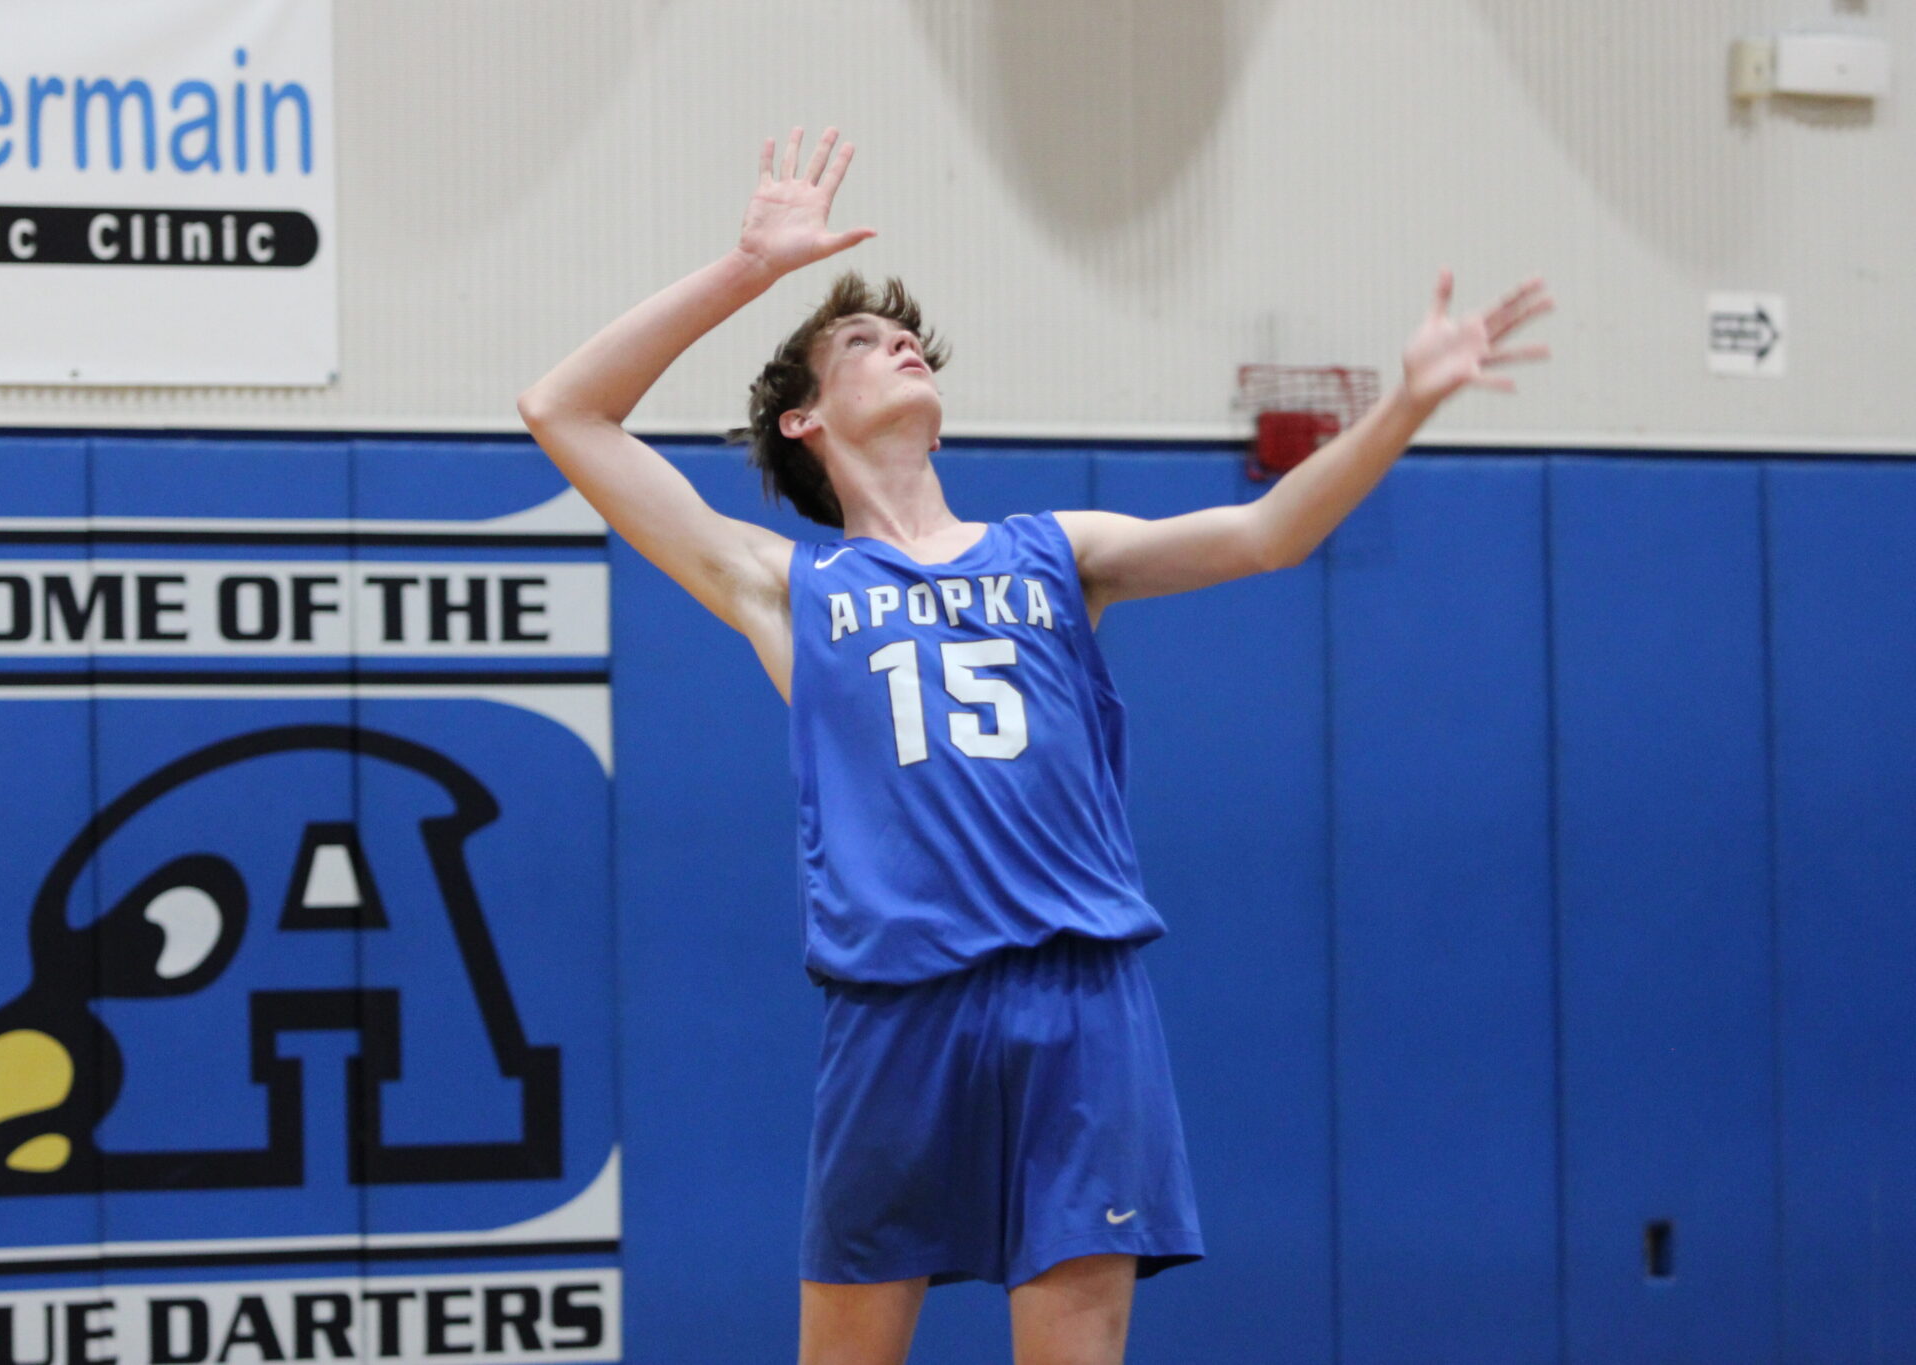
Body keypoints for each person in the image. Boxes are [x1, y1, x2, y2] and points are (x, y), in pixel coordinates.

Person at [517, 126, 1552, 1365]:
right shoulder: (785, 585)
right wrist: (747, 270)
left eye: (906, 339)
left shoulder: (1054, 550)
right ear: (800, 423)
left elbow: (1268, 532)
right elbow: (562, 409)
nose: (900, 342)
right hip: (896, 1008)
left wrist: (1404, 403)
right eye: (858, 342)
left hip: (1079, 1000)